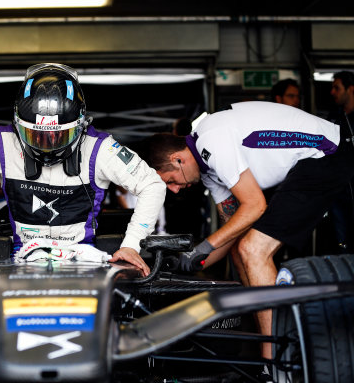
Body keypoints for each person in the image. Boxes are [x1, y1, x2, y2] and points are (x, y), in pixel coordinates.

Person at [143, 101, 354, 359]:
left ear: (178, 159)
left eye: (171, 181)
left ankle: (274, 358)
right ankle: (262, 336)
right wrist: (181, 263)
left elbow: (254, 206)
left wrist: (202, 248)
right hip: (306, 164)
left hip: (325, 154)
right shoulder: (207, 166)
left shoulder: (211, 142)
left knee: (253, 250)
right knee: (240, 248)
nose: (174, 190)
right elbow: (232, 231)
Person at [0, 63, 166, 280]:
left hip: (84, 260)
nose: (47, 145)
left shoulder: (100, 147)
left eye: (58, 135)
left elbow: (152, 185)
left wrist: (132, 245)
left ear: (80, 125)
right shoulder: (0, 143)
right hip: (20, 260)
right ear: (18, 123)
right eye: (36, 135)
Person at [328, 71, 354, 252]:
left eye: (337, 88)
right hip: (338, 193)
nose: (332, 92)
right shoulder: (333, 120)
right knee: (342, 245)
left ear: (350, 89)